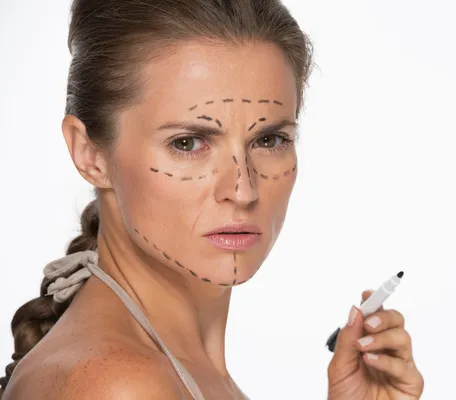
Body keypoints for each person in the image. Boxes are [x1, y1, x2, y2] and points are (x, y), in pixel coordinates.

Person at [0, 1, 424, 399]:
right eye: (188, 142)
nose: (243, 190)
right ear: (90, 154)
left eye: (270, 139)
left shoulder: (173, 366)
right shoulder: (120, 384)